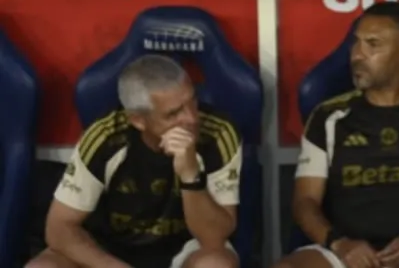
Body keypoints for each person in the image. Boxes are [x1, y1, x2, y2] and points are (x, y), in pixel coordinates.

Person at [275, 3, 399, 268]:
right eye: (356, 43)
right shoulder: (328, 117)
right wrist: (339, 243)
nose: (357, 54)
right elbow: (305, 201)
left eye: (373, 44)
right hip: (346, 250)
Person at [27, 55, 240, 268]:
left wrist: (190, 177)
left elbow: (214, 238)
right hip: (109, 249)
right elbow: (58, 229)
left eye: (192, 101)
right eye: (174, 113)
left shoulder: (218, 132)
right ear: (138, 120)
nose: (192, 118)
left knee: (216, 264)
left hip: (185, 248)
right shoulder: (105, 137)